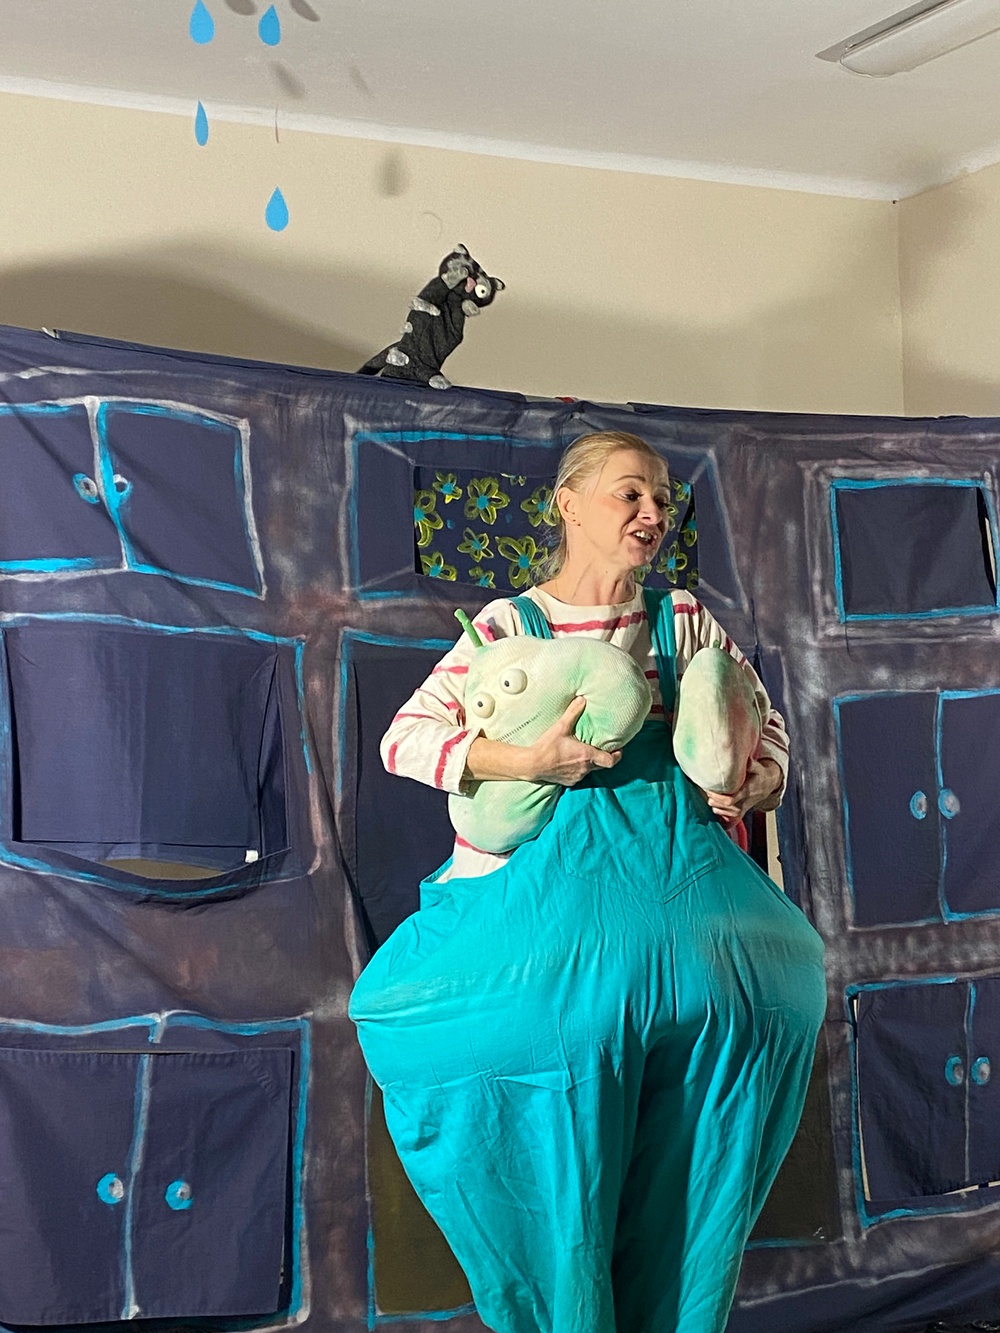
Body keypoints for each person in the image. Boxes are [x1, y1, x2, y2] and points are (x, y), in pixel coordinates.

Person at [350, 430, 826, 1333]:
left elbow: (765, 733)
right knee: (539, 1117)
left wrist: (754, 777)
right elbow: (404, 739)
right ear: (569, 505)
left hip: (690, 910)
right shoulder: (508, 626)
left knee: (703, 1136)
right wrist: (526, 758)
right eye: (629, 493)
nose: (652, 513)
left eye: (662, 499)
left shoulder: (682, 620)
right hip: (552, 925)